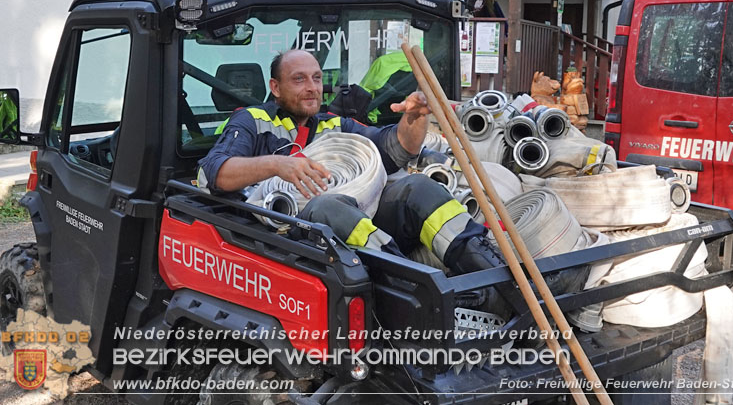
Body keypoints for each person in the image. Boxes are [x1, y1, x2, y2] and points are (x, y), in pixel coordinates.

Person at [198, 49, 514, 316]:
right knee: (329, 206)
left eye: (317, 78)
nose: (312, 87)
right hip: (283, 237)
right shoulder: (253, 121)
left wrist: (415, 118)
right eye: (299, 79)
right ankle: (420, 293)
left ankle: (495, 284)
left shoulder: (336, 125)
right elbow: (217, 172)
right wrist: (277, 164)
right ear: (275, 87)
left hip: (339, 231)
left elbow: (397, 150)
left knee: (418, 189)